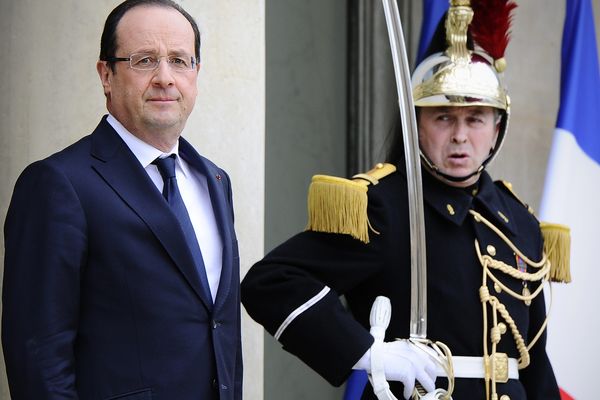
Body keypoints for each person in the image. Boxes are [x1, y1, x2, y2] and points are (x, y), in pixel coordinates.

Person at [241, 1, 567, 399]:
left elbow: (534, 360)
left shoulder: (519, 221)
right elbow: (272, 282)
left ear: (498, 127)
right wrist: (367, 353)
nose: (461, 136)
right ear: (416, 123)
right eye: (443, 118)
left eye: (476, 118)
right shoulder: (385, 207)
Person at [2, 1, 242, 399]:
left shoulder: (214, 181)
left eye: (180, 61)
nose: (165, 78)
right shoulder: (58, 184)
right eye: (144, 60)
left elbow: (218, 328)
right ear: (106, 75)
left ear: (196, 73)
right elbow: (39, 357)